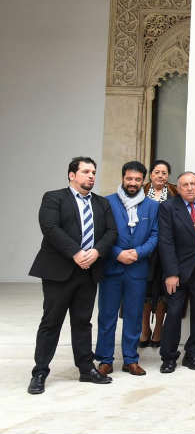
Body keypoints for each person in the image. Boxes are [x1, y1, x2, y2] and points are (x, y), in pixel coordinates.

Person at [28, 157, 117, 395]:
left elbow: (111, 232)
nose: (91, 176)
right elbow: (50, 228)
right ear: (71, 175)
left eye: (94, 172)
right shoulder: (53, 197)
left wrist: (96, 252)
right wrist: (76, 253)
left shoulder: (101, 203)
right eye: (86, 171)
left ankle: (86, 369)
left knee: (82, 323)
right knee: (51, 322)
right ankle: (40, 372)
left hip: (89, 271)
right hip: (60, 271)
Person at [96, 161, 159, 377]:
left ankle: (131, 359)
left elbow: (155, 235)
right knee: (107, 315)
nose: (133, 183)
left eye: (137, 179)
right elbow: (100, 234)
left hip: (137, 269)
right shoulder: (107, 203)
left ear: (144, 180)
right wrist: (117, 253)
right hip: (111, 268)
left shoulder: (153, 206)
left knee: (133, 315)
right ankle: (105, 359)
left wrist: (139, 252)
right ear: (123, 178)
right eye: (129, 178)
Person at [157, 171, 195, 374]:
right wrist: (171, 273)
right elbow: (165, 242)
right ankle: (169, 357)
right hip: (178, 272)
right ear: (178, 188)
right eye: (185, 185)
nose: (190, 188)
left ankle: (194, 355)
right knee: (173, 314)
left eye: (193, 184)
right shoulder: (168, 207)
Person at [140, 159, 176, 349]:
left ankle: (159, 330)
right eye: (156, 172)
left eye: (164, 173)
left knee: (163, 291)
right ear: (150, 175)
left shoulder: (175, 193)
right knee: (145, 290)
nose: (160, 176)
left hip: (166, 249)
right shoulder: (141, 192)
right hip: (145, 249)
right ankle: (144, 328)